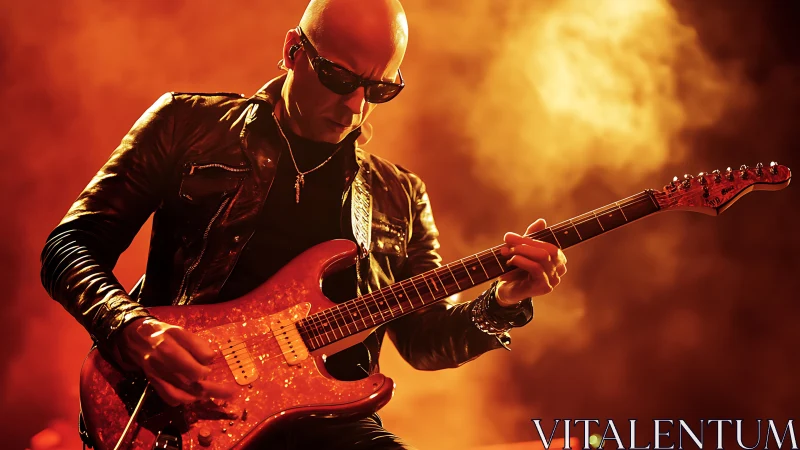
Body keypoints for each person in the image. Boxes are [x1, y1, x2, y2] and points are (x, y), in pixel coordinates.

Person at [40, 0, 567, 448]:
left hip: (331, 425)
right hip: (175, 406)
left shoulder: (399, 196)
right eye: (340, 79)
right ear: (294, 50)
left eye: (378, 89)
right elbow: (70, 244)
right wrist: (131, 329)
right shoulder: (186, 124)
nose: (355, 106)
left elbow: (424, 341)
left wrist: (504, 301)